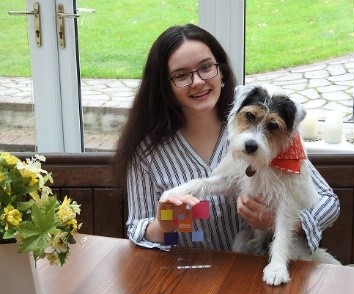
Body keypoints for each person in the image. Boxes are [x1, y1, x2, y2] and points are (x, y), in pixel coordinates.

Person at [113, 24, 340, 252]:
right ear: (165, 86)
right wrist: (163, 227)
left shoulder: (266, 135)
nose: (198, 81)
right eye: (181, 75)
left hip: (253, 270)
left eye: (206, 67)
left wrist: (284, 223)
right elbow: (137, 229)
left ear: (220, 71)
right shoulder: (146, 155)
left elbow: (328, 202)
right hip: (184, 276)